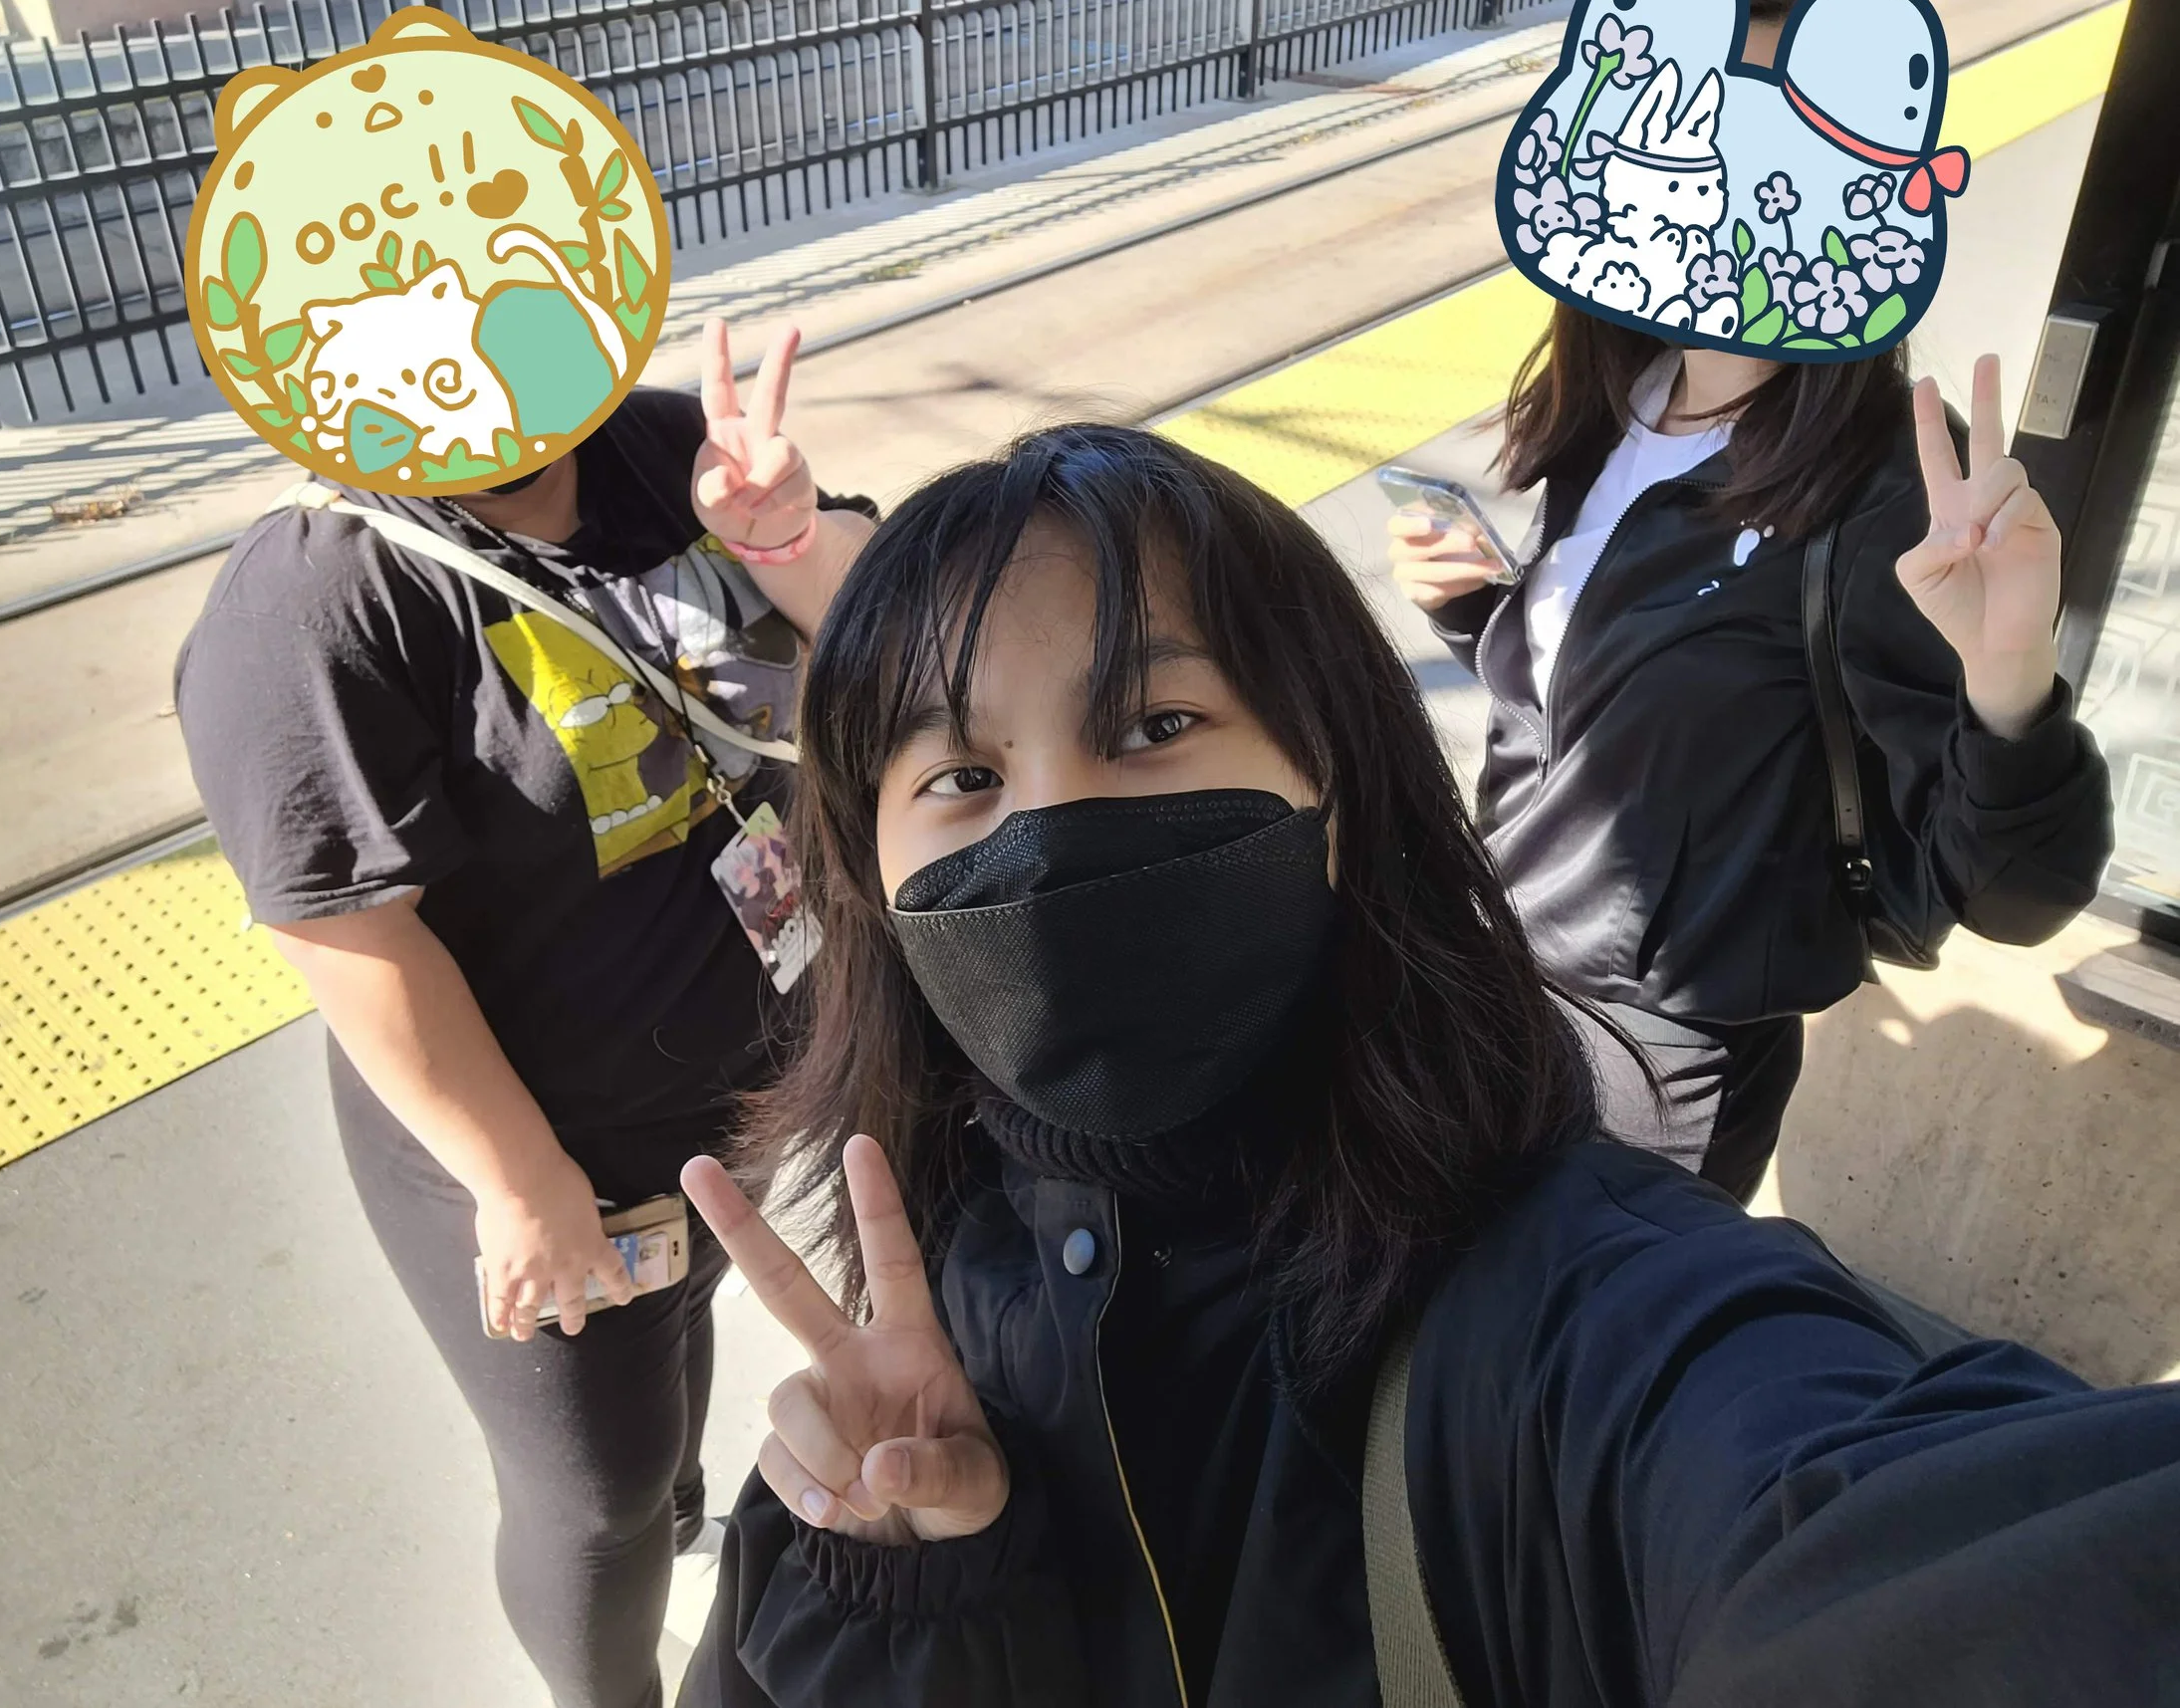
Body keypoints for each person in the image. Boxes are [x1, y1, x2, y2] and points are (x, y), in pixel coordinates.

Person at [672, 424, 2178, 1708]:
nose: (1050, 826)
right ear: (870, 867)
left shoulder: (1569, 1320)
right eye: (964, 776)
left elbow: (1882, 1527)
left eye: (1155, 722)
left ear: (1339, 786)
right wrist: (927, 1590)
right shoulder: (928, 1301)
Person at [173, 320, 871, 1708]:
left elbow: (898, 655)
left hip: (742, 1073)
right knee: (596, 1491)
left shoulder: (678, 450)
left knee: (680, 1338)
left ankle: (679, 1509)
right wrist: (520, 1180)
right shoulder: (319, 591)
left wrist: (789, 535)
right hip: (538, 1143)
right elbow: (343, 920)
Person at [1387, 0, 2110, 1198]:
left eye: (1788, 137)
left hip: (1658, 1073)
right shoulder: (1616, 401)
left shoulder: (1885, 502)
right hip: (1493, 986)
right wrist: (1482, 614)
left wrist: (2009, 682)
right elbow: (1651, 695)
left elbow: (2015, 897)